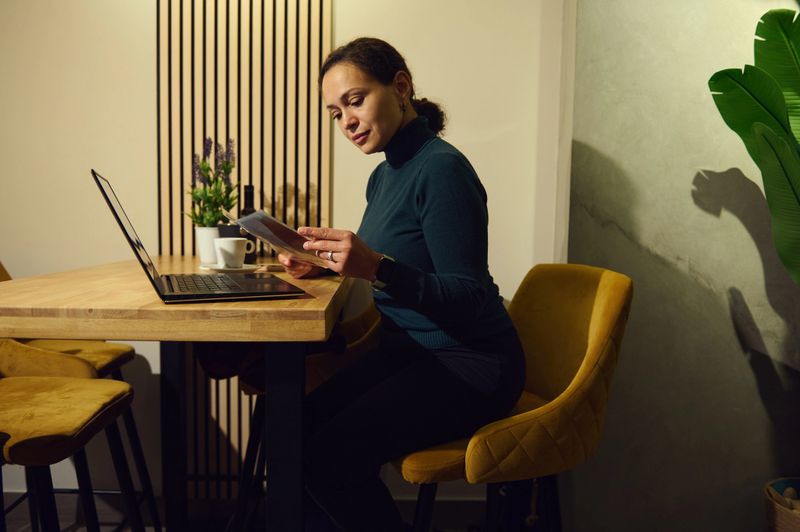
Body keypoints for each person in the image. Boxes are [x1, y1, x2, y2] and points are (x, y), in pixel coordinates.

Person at [278, 37, 526, 532]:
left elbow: (469, 298)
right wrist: (326, 263)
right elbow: (400, 257)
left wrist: (376, 267)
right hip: (408, 352)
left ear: (401, 87)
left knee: (329, 458)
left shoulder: (442, 169)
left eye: (355, 100)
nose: (346, 121)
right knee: (291, 426)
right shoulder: (385, 174)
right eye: (335, 113)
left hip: (468, 361)